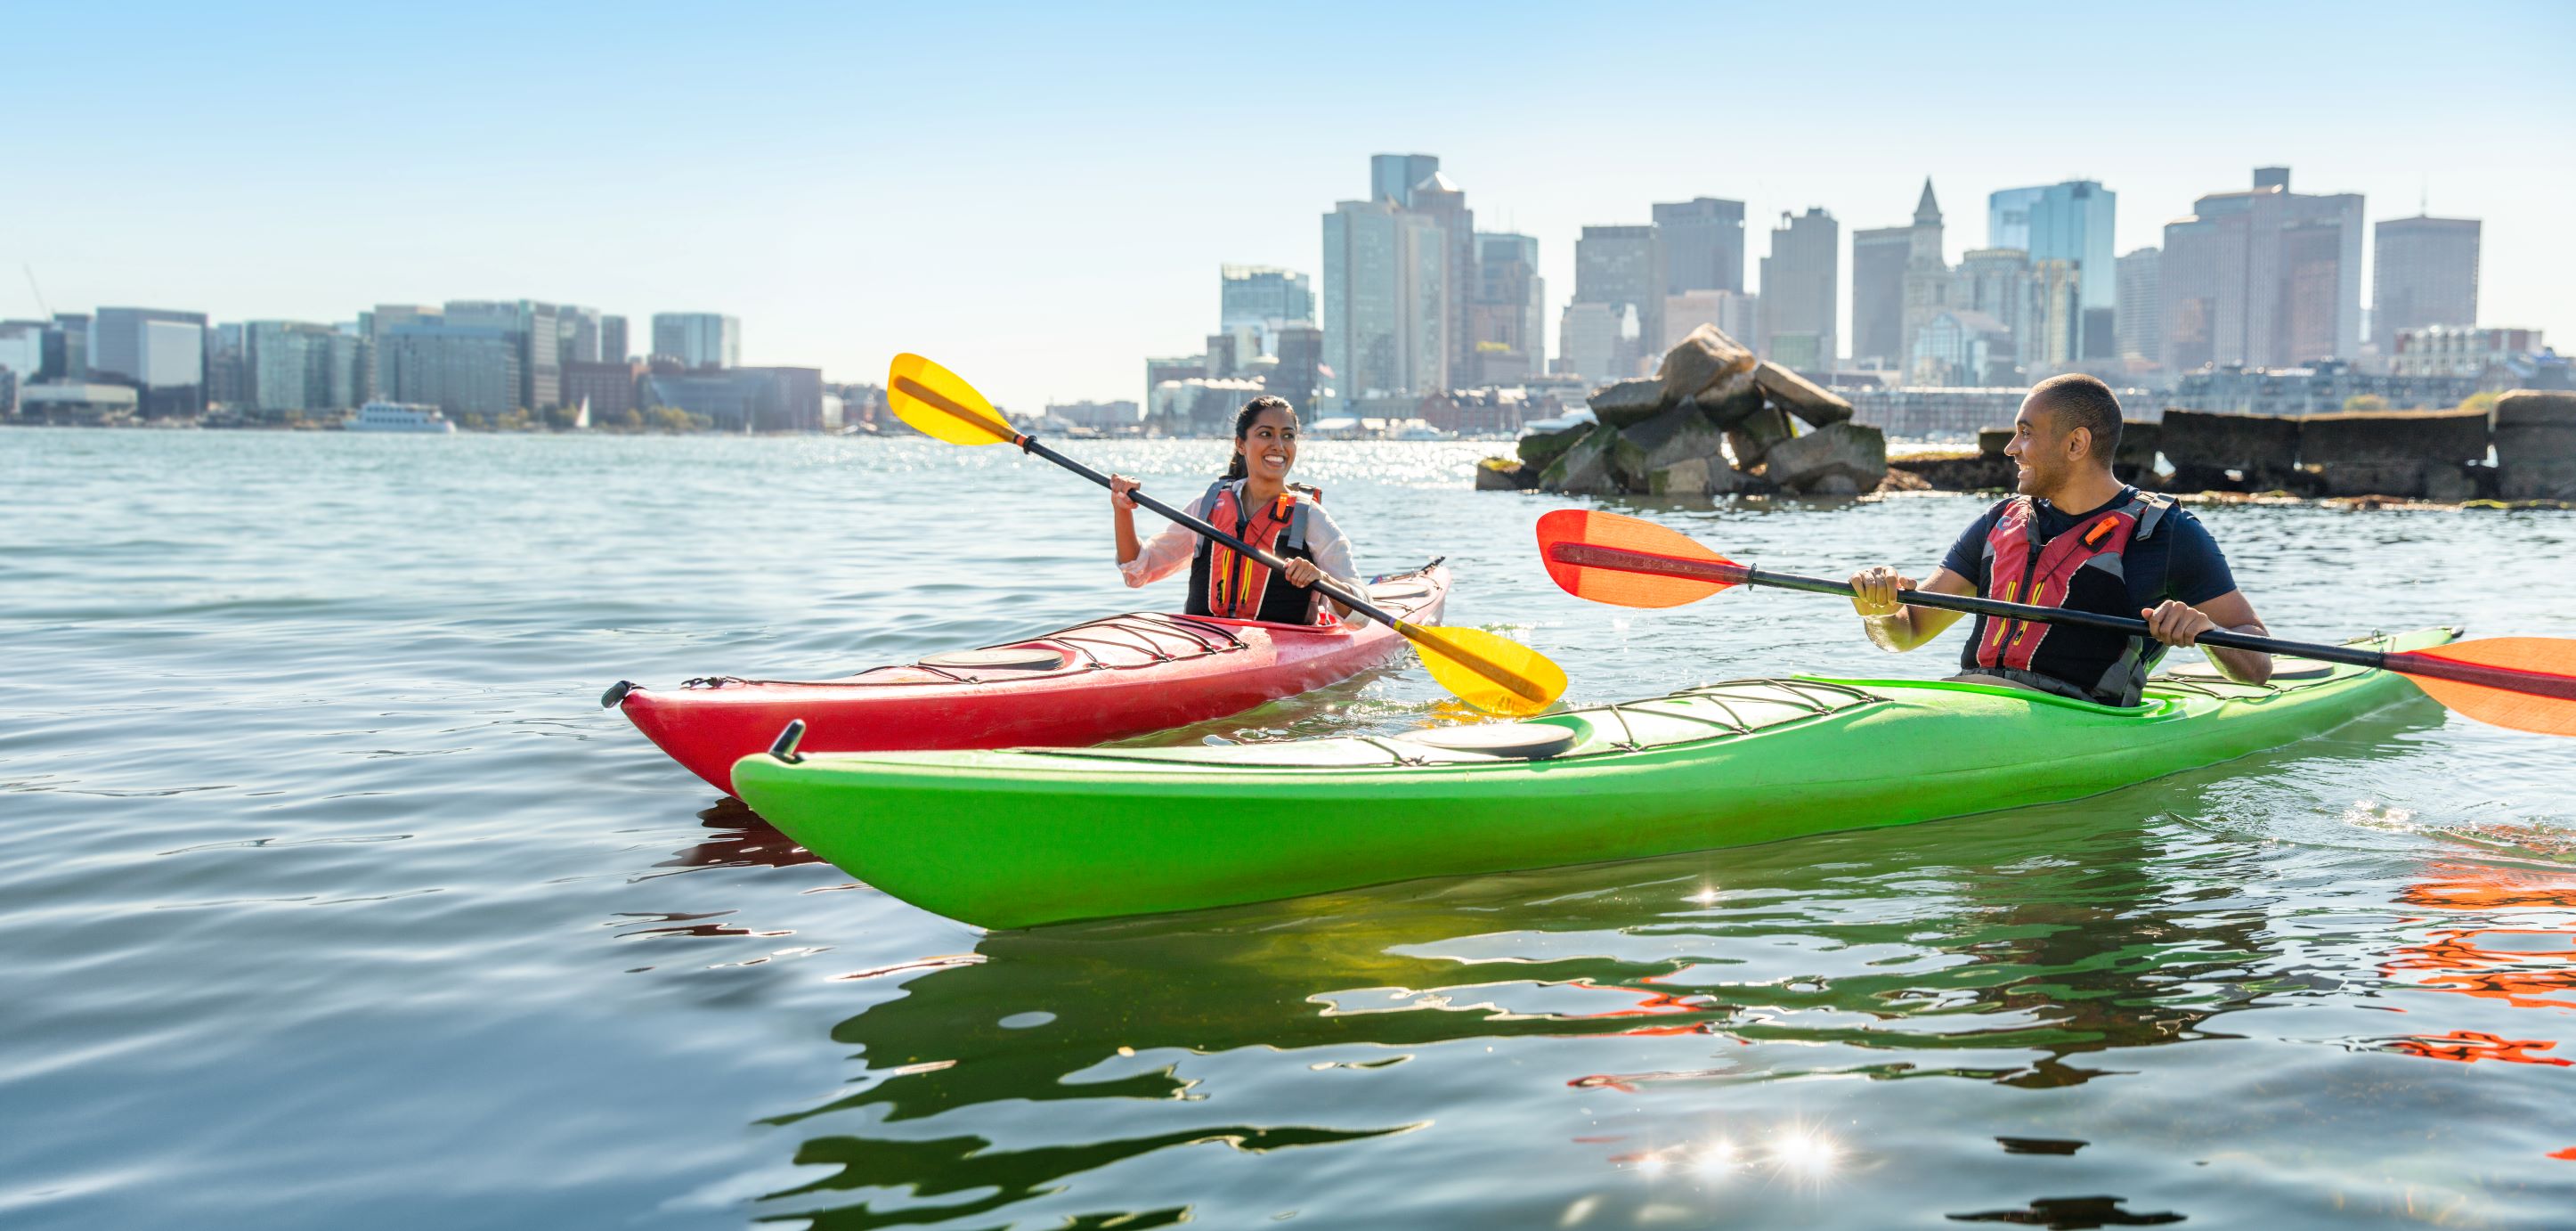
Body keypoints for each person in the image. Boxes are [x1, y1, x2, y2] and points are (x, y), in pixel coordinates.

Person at [1847, 373, 2270, 705]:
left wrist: (2208, 628)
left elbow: (2259, 666)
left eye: (2026, 433)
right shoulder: (2000, 521)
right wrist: (1879, 612)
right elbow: (1907, 633)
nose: (2012, 448)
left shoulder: (2167, 532)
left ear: (2076, 443)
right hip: (1971, 700)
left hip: (2078, 720)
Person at [1107, 396, 1366, 625]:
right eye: (1266, 434)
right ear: (1241, 444)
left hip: (1285, 650)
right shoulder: (1206, 507)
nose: (1279, 445)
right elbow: (1138, 571)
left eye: (1288, 436)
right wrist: (1122, 510)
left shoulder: (1309, 517)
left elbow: (1360, 615)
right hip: (1205, 641)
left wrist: (1322, 579)